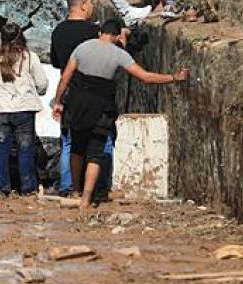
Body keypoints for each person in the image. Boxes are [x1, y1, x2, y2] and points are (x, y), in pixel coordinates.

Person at [51, 19, 187, 210]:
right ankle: (86, 199)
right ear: (116, 37)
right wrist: (173, 77)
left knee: (77, 148)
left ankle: (75, 191)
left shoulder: (82, 48)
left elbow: (65, 78)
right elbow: (145, 77)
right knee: (95, 154)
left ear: (100, 33)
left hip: (77, 104)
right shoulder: (119, 54)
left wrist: (58, 102)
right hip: (101, 107)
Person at [0, 23, 48, 196]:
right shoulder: (30, 57)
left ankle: (1, 188)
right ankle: (28, 189)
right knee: (25, 149)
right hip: (24, 109)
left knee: (1, 149)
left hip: (0, 110)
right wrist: (35, 91)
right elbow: (42, 83)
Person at [49, 0, 98, 197]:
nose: (93, 7)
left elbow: (54, 61)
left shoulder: (58, 31)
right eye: (92, 3)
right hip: (91, 88)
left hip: (68, 88)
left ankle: (68, 186)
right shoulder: (92, 32)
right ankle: (97, 186)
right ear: (84, 5)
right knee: (97, 138)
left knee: (68, 139)